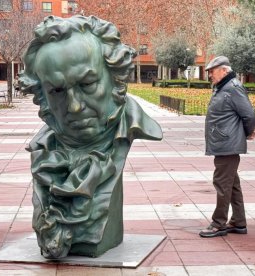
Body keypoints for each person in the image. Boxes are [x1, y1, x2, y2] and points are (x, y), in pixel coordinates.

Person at [19, 15, 162, 258]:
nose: (74, 107)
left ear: (115, 76)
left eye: (87, 84)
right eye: (56, 91)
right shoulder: (43, 151)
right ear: (41, 94)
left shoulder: (131, 125)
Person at [199, 56, 255, 238]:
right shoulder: (223, 88)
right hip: (224, 143)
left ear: (224, 70)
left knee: (222, 184)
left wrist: (247, 133)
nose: (209, 75)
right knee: (231, 184)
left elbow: (249, 115)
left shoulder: (232, 88)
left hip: (227, 144)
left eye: (212, 71)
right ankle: (238, 222)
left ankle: (219, 223)